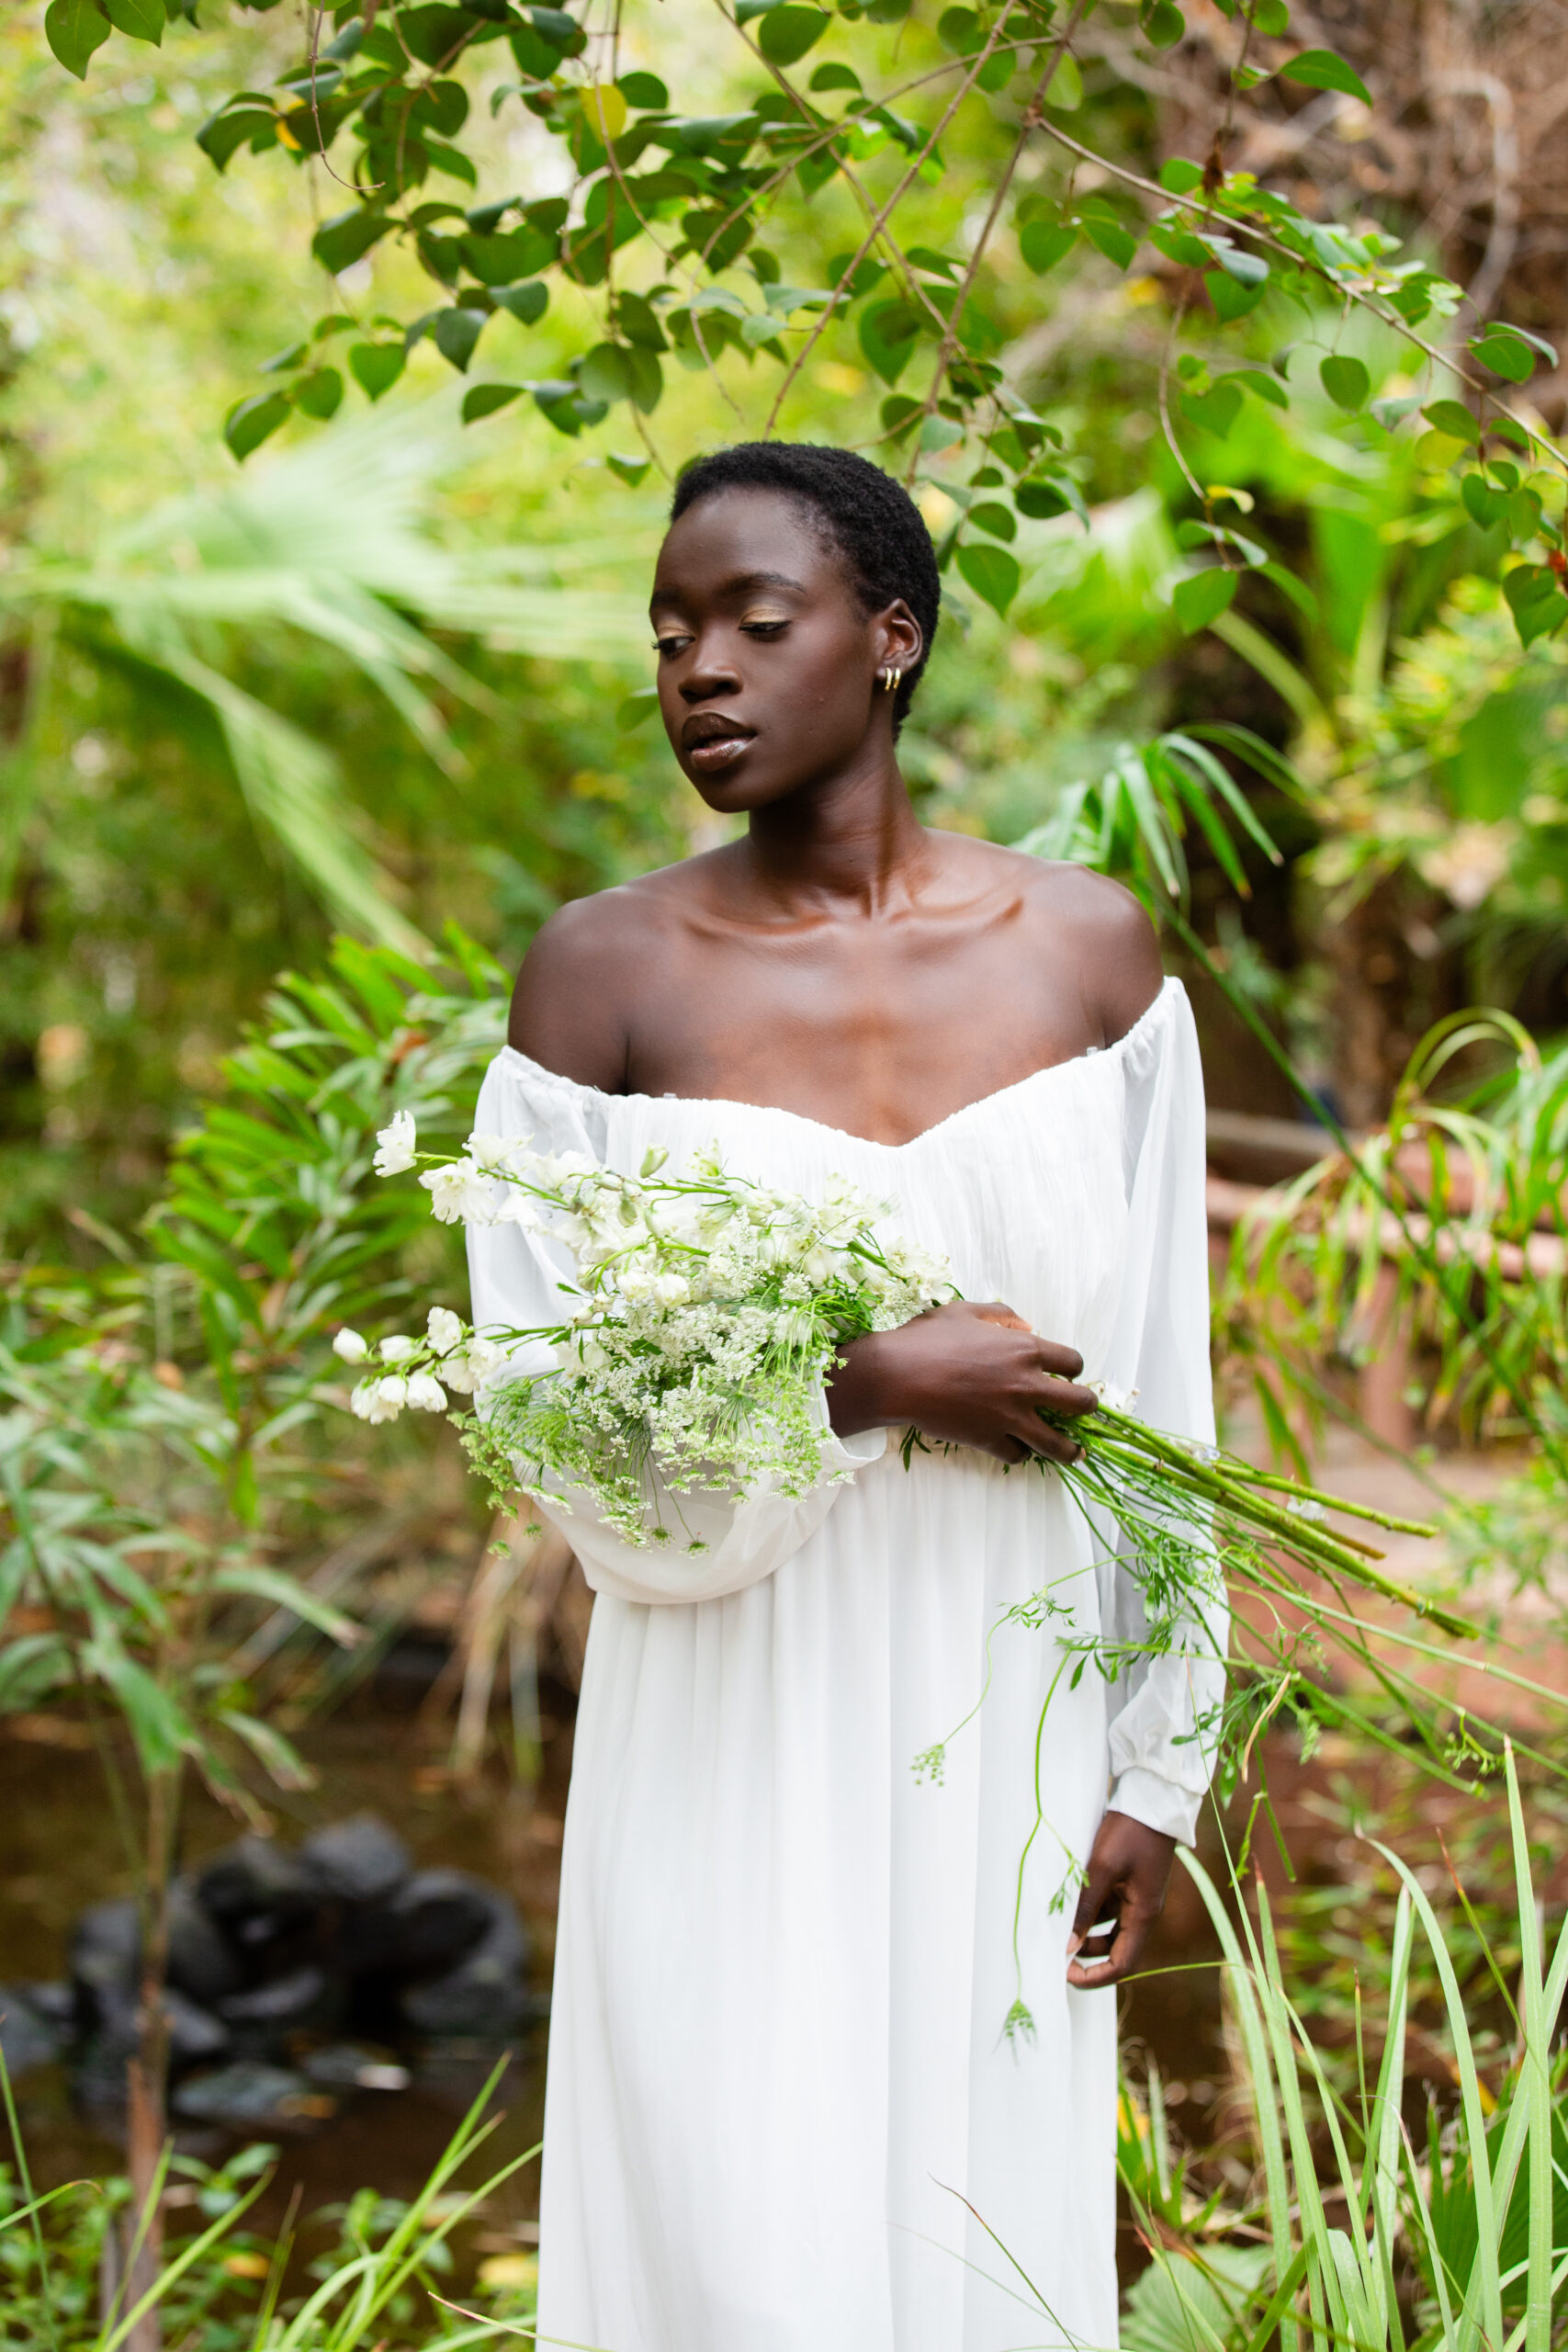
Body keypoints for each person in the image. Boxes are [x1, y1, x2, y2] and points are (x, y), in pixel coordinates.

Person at [467, 442, 1224, 2352]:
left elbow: (1159, 1393)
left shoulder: (1091, 960)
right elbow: (564, 1425)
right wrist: (865, 1382)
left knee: (978, 2231)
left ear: (889, 638)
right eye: (665, 632)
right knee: (738, 2216)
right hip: (729, 1707)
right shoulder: (598, 980)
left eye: (750, 619)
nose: (694, 668)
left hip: (1010, 1696)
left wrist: (1157, 1766)